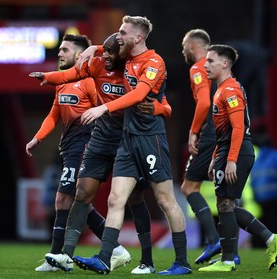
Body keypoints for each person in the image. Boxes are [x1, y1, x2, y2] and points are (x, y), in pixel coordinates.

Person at [29, 32, 172, 274]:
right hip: (100, 139)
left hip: (128, 140)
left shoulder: (134, 70)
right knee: (81, 193)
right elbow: (70, 75)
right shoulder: (96, 65)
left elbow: (164, 104)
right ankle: (65, 254)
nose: (105, 56)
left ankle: (146, 260)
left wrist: (157, 107)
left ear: (123, 54)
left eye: (110, 53)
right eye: (102, 52)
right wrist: (48, 76)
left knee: (135, 199)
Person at [69, 15, 191, 275]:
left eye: (124, 32)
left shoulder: (154, 62)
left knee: (165, 200)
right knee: (115, 200)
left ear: (138, 37)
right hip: (127, 139)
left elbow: (138, 94)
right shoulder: (125, 57)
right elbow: (110, 48)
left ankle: (181, 262)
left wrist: (104, 107)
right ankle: (104, 259)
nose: (119, 35)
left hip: (151, 140)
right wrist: (94, 48)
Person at [26, 34, 128, 272]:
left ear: (79, 54)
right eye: (59, 49)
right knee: (77, 201)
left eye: (64, 50)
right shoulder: (62, 82)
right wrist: (37, 138)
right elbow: (54, 115)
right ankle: (115, 248)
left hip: (85, 145)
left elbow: (104, 110)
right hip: (68, 147)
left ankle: (57, 255)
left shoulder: (90, 81)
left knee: (64, 198)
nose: (59, 53)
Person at [198, 44, 277, 272]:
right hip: (228, 151)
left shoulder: (230, 90)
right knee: (225, 205)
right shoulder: (222, 89)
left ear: (225, 64)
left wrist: (231, 160)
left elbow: (238, 129)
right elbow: (224, 133)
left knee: (226, 204)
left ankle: (227, 261)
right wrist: (215, 157)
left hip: (237, 151)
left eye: (211, 61)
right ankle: (269, 239)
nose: (205, 65)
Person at [180, 28, 242, 265]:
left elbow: (205, 102)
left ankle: (215, 240)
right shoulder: (223, 74)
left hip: (210, 132)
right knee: (226, 199)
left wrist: (194, 131)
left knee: (189, 187)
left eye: (184, 46)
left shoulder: (198, 68)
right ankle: (233, 252)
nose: (183, 50)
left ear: (194, 46)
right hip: (224, 133)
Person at [249, 134, 277, 247]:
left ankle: (262, 245)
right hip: (276, 196)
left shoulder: (257, 158)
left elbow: (252, 180)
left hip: (261, 198)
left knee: (265, 222)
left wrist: (255, 195)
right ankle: (276, 245)